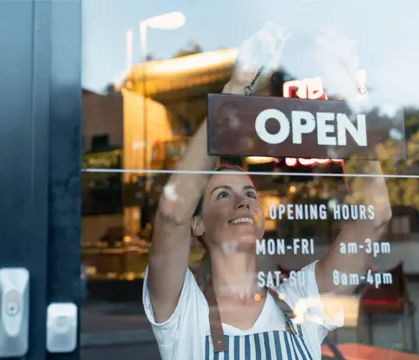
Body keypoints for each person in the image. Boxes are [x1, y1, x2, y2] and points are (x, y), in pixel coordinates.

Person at [143, 22, 391, 360]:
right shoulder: (182, 308)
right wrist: (236, 89)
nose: (243, 202)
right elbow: (172, 214)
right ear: (197, 223)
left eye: (249, 194)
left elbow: (373, 217)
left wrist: (342, 91)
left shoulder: (299, 301)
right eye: (222, 195)